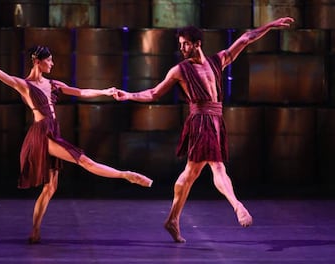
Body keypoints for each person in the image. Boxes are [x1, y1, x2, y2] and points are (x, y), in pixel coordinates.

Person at [0, 46, 153, 244]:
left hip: (54, 130)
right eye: (49, 60)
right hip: (42, 134)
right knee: (85, 162)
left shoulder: (53, 84)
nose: (52, 63)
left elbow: (79, 92)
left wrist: (105, 92)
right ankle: (126, 175)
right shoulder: (24, 85)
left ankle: (35, 231)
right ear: (37, 61)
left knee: (51, 187)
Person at [114, 17, 295, 243]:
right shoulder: (179, 70)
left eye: (185, 44)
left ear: (197, 43)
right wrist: (129, 95)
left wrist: (269, 26)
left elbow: (246, 39)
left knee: (191, 174)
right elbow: (154, 93)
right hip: (200, 120)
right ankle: (237, 206)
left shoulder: (217, 61)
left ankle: (172, 219)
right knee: (216, 167)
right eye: (180, 45)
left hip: (217, 120)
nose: (181, 48)